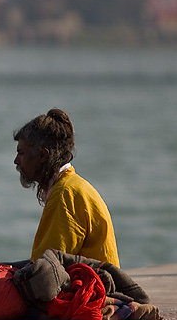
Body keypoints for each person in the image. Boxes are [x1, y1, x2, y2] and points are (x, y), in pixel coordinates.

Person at [13, 108, 120, 266]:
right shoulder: (69, 185)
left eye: (21, 153)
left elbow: (47, 269)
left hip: (93, 288)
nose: (16, 160)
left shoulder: (65, 193)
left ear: (43, 155)